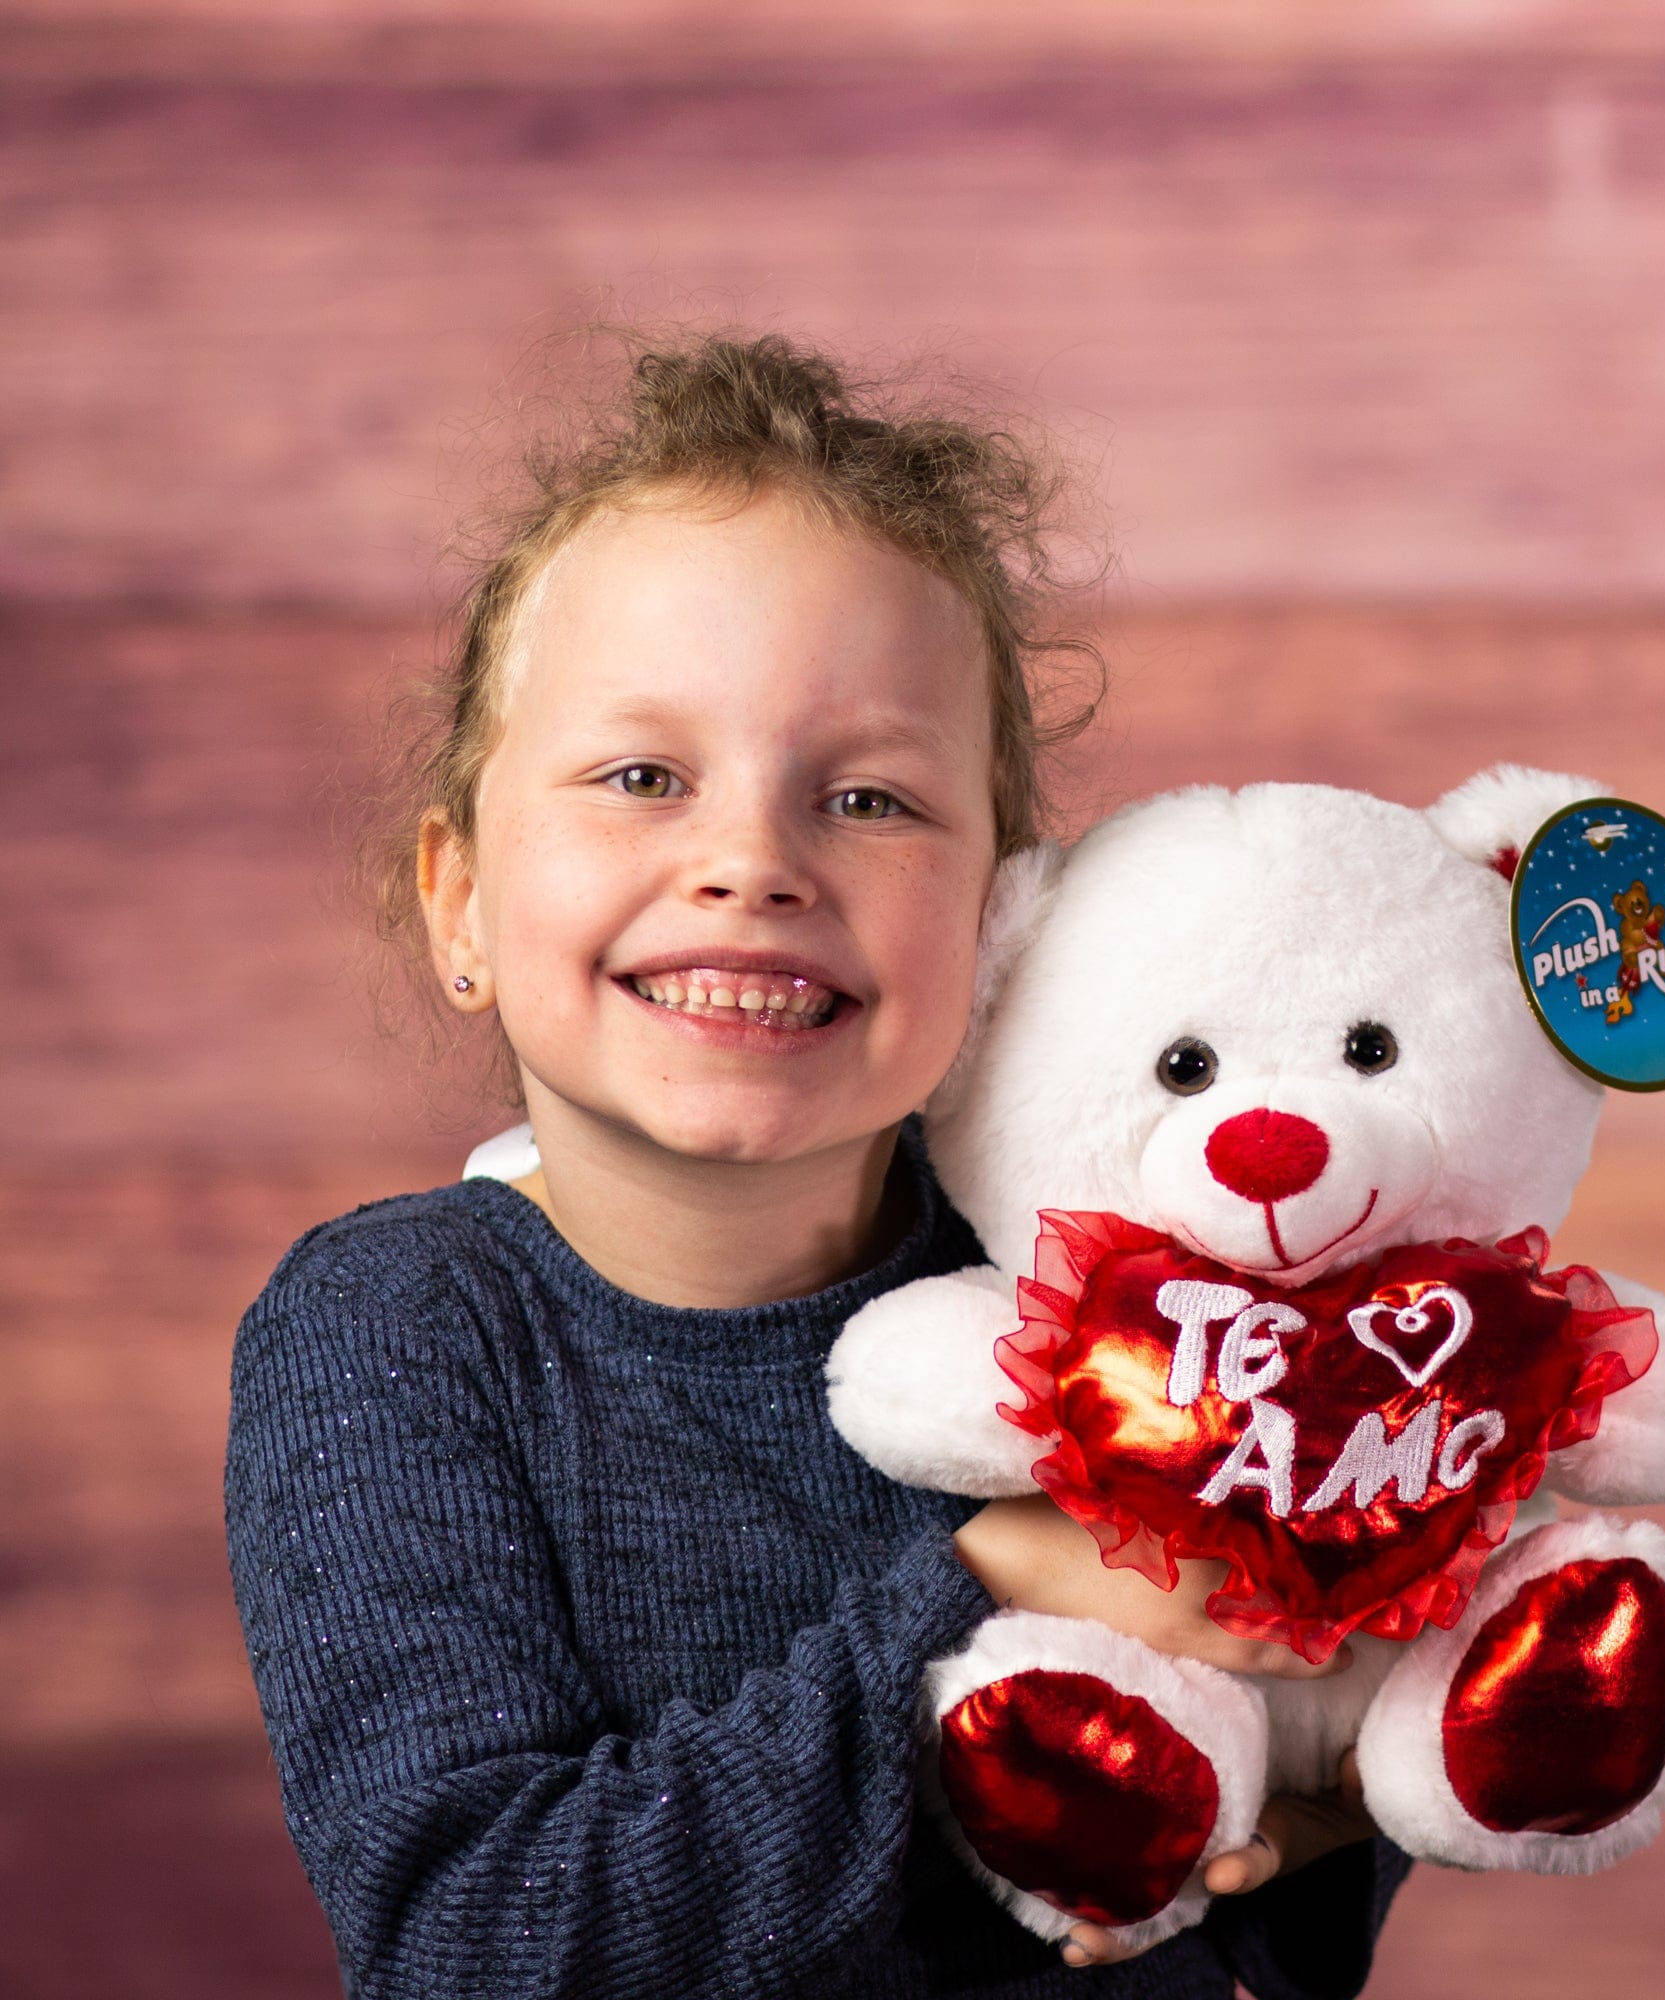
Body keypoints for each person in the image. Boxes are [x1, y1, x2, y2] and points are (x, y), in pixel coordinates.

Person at [224, 331, 1405, 1998]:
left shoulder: (1115, 1306)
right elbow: (478, 1945)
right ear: (460, 899)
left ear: (1002, 926)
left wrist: (1332, 1790)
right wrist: (982, 1591)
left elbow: (1263, 1876)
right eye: (643, 777)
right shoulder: (398, 1328)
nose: (751, 862)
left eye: (866, 797)